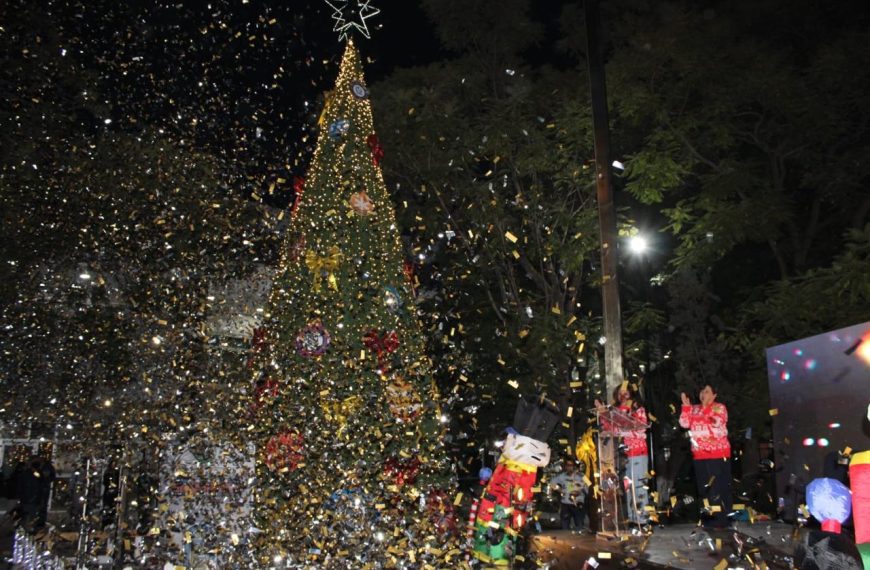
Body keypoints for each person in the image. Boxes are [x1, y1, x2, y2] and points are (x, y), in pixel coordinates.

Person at [595, 384, 650, 526]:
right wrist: (603, 414)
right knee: (627, 486)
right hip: (621, 454)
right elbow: (609, 429)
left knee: (639, 485)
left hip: (637, 452)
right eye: (620, 392)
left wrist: (623, 431)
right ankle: (632, 517)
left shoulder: (638, 409)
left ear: (631, 393)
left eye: (626, 392)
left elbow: (641, 429)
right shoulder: (615, 411)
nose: (623, 395)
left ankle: (643, 518)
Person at [679, 384, 732, 529]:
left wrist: (706, 408)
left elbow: (717, 422)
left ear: (714, 395)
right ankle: (709, 519)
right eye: (702, 391)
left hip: (717, 454)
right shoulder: (694, 408)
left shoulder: (719, 407)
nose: (703, 394)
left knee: (717, 487)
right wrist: (686, 407)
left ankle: (722, 519)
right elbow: (684, 423)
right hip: (699, 454)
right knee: (705, 488)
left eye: (707, 391)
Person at [549, 459, 587, 531]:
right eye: (567, 465)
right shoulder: (562, 476)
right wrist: (559, 490)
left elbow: (589, 485)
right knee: (565, 527)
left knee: (579, 526)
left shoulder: (582, 476)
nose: (569, 467)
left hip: (578, 504)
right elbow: (552, 483)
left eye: (571, 465)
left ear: (574, 466)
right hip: (566, 504)